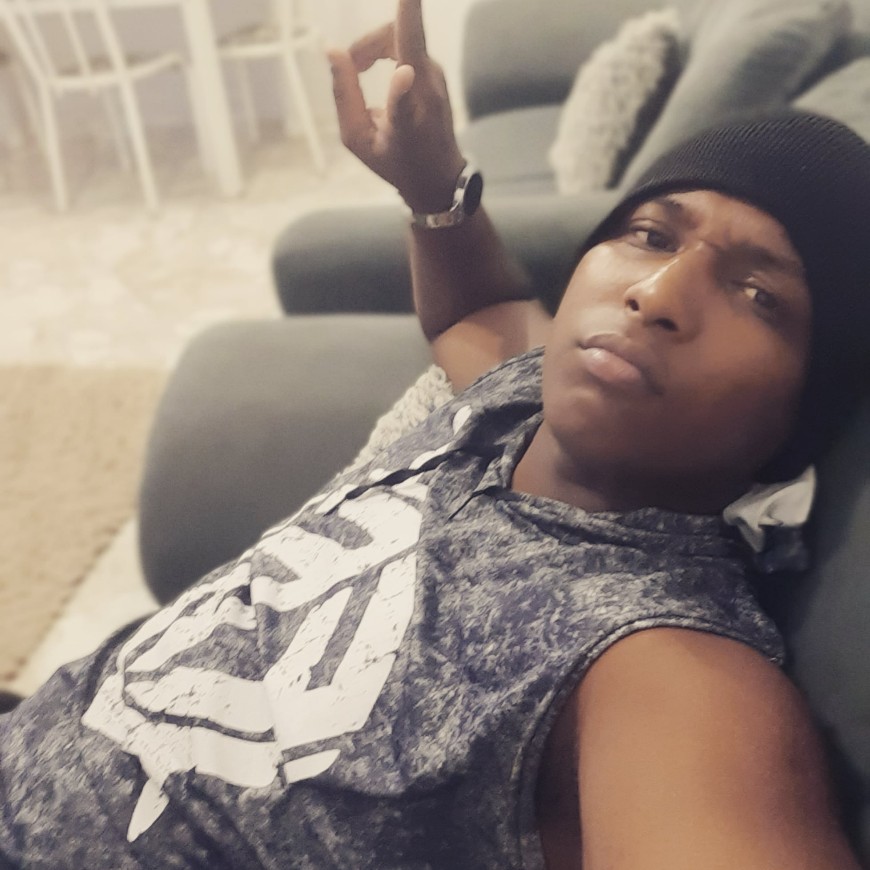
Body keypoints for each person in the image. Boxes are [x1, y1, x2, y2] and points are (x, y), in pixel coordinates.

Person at [1, 1, 869, 867]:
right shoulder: (525, 395)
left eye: (758, 294)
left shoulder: (663, 667)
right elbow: (478, 309)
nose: (658, 294)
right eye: (649, 235)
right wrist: (433, 181)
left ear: (803, 410)